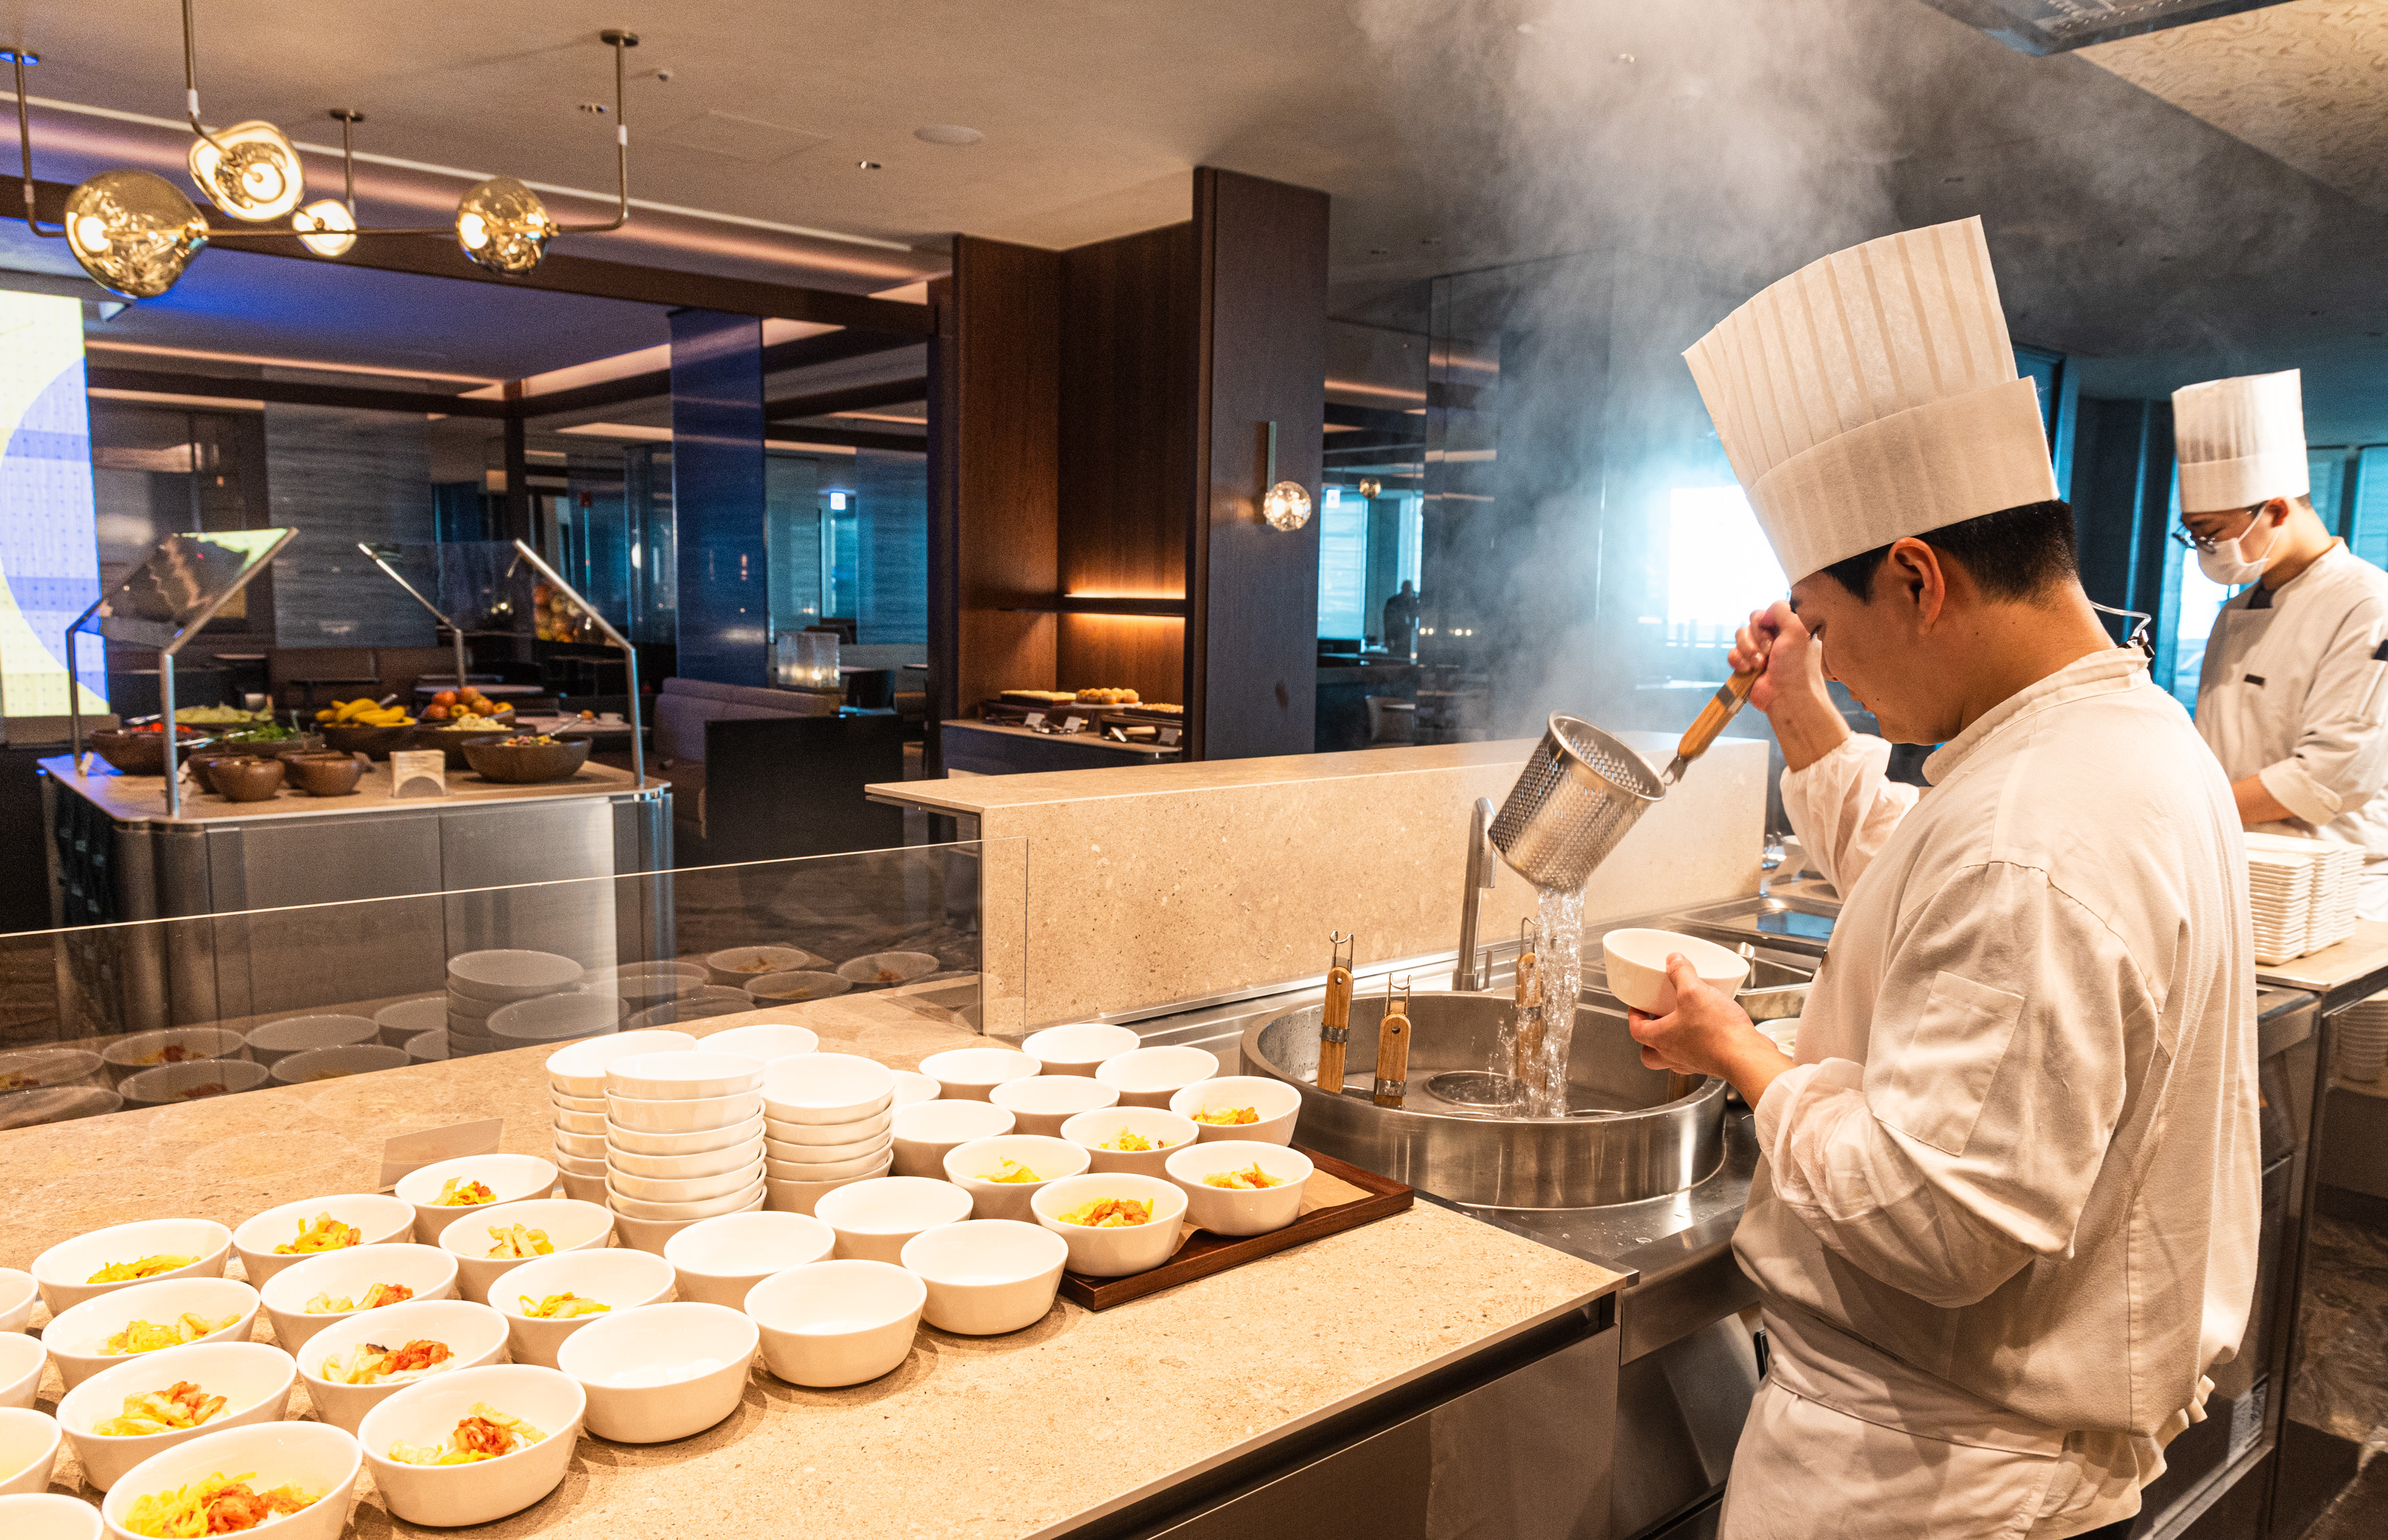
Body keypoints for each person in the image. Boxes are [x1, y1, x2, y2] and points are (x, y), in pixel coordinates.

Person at [1643, 216, 2260, 1540]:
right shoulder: (2120, 738)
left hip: (1930, 1483)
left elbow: (1933, 1218)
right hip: (1995, 1458)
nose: (1826, 657)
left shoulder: (2035, 825)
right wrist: (1805, 717)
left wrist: (1741, 1050)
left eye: (1827, 623)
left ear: (1918, 577)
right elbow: (1930, 873)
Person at [2179, 369, 2388, 918]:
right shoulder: (2236, 611)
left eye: (2210, 532)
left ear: (2276, 510)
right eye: (2193, 534)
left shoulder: (2370, 604)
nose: (2203, 549)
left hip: (2334, 886)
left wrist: (2193, 810)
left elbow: (2334, 773)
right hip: (2237, 867)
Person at [1382, 579, 1421, 659]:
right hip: (1396, 636)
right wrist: (1388, 638)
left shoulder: (1414, 603)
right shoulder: (1393, 601)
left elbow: (1418, 615)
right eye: (1406, 588)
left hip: (1410, 637)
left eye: (1409, 589)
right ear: (1402, 588)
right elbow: (1387, 621)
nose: (1408, 591)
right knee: (1395, 659)